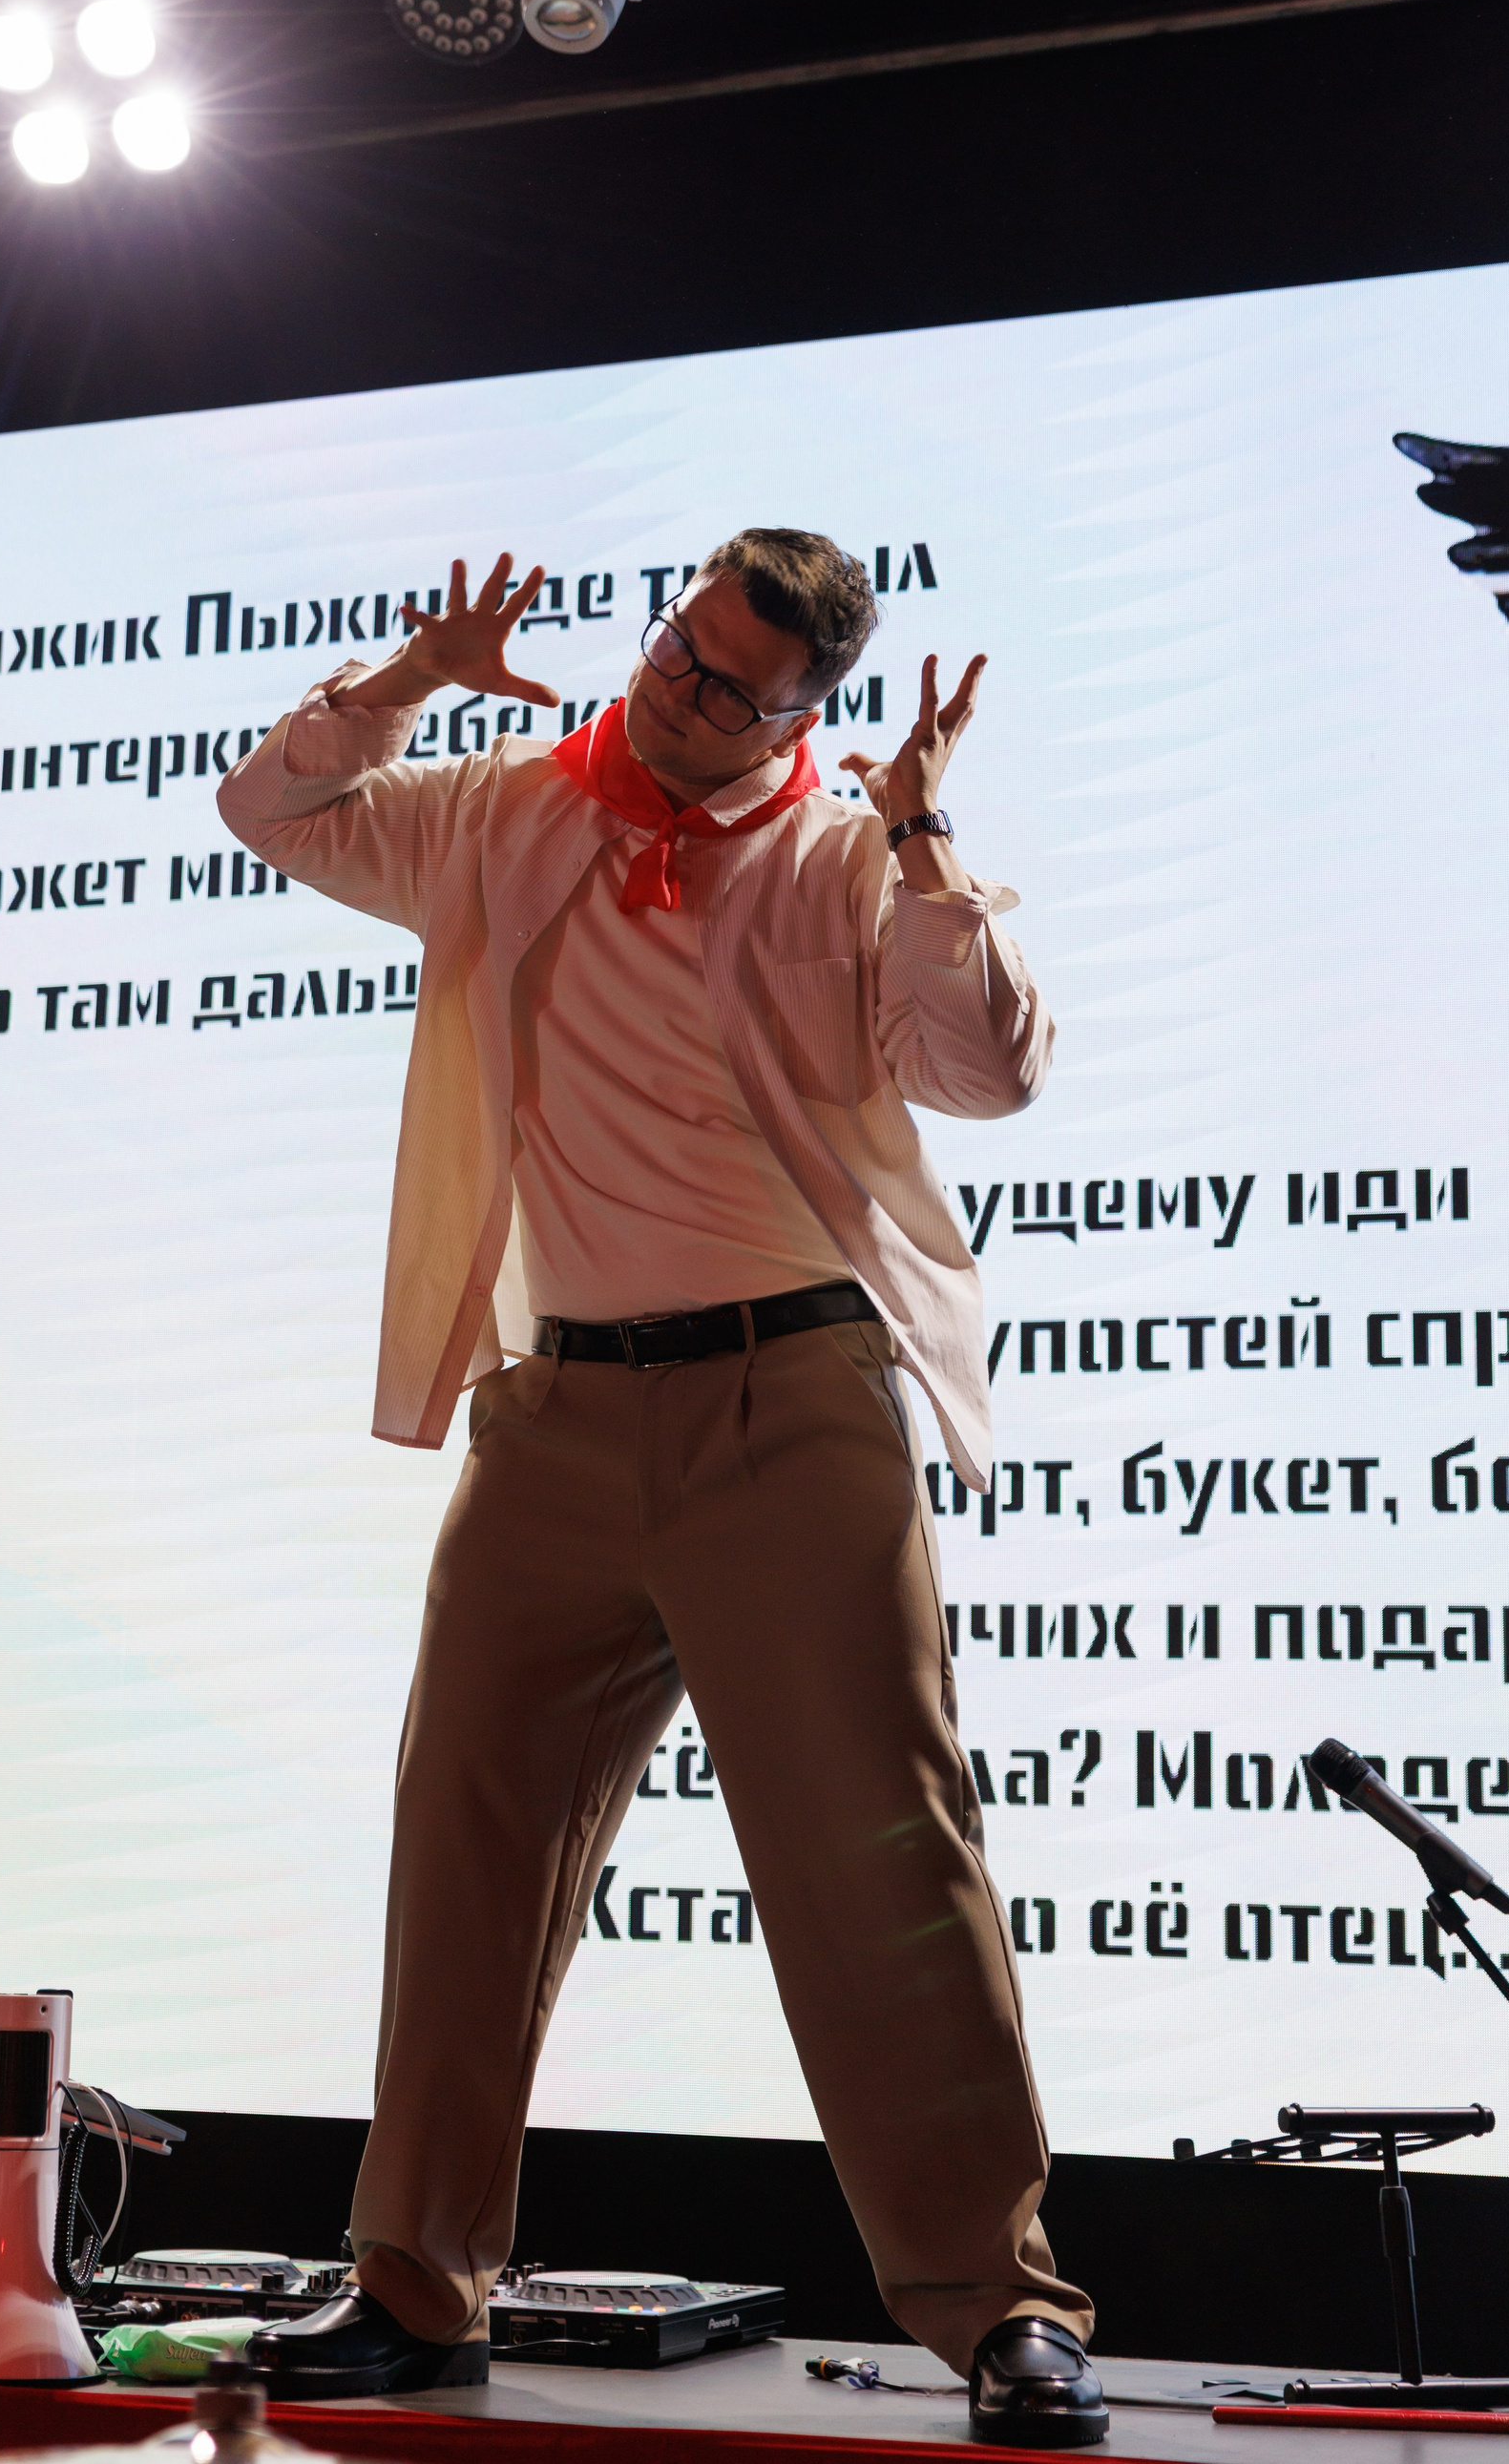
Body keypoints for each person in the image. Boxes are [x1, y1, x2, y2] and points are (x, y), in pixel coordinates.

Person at [218, 533, 1105, 2446]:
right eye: (677, 651)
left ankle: (1001, 2305)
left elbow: (991, 1074)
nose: (678, 694)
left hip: (790, 1403)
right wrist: (405, 680)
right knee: (469, 1842)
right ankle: (415, 2284)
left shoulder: (849, 860)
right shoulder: (508, 807)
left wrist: (927, 842)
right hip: (554, 1413)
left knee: (883, 1862)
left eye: (728, 689)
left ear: (802, 715)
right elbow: (269, 810)